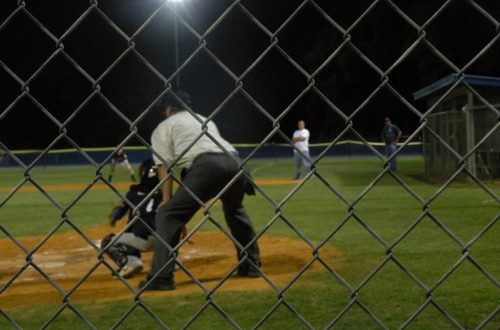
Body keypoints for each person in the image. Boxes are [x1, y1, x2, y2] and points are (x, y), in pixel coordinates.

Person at [140, 90, 261, 291]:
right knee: (235, 209)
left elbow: (164, 165)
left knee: (168, 215)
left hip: (207, 166)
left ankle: (161, 278)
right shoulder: (204, 119)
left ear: (169, 109)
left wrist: (167, 198)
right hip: (236, 164)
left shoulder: (164, 126)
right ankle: (251, 265)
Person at [101, 158, 161, 278]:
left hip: (142, 239)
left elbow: (117, 214)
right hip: (163, 241)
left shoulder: (134, 192)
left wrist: (113, 216)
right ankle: (171, 262)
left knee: (108, 241)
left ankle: (130, 262)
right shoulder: (163, 194)